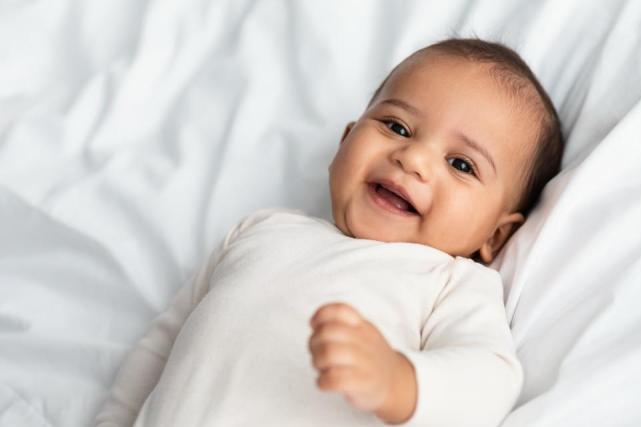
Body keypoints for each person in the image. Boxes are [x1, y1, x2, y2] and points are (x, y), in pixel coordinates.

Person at [96, 37, 563, 427]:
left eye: (461, 164)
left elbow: (491, 380)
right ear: (345, 142)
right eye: (396, 126)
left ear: (496, 237)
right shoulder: (260, 231)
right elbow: (164, 343)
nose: (412, 159)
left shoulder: (450, 282)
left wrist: (399, 381)